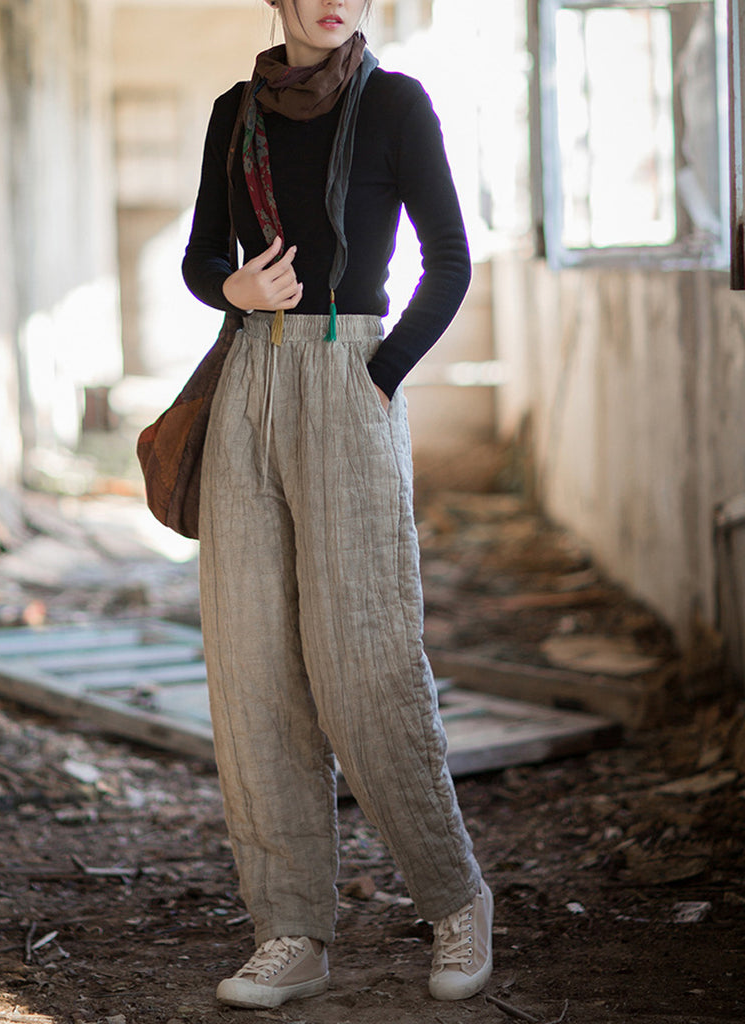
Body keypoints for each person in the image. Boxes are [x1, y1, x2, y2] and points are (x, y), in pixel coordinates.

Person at [181, 0, 493, 1009]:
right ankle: (291, 932)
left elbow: (449, 262)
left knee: (367, 661)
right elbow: (200, 257)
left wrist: (381, 374)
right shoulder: (235, 112)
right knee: (252, 669)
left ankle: (455, 897)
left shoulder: (395, 104)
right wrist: (235, 291)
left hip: (351, 380)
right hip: (247, 385)